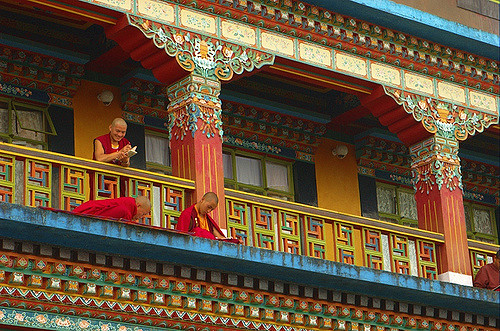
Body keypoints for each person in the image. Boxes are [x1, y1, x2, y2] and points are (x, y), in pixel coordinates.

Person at [72, 196, 151, 222]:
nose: (141, 217)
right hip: (81, 215)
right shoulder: (124, 210)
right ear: (138, 205)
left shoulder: (127, 205)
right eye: (143, 214)